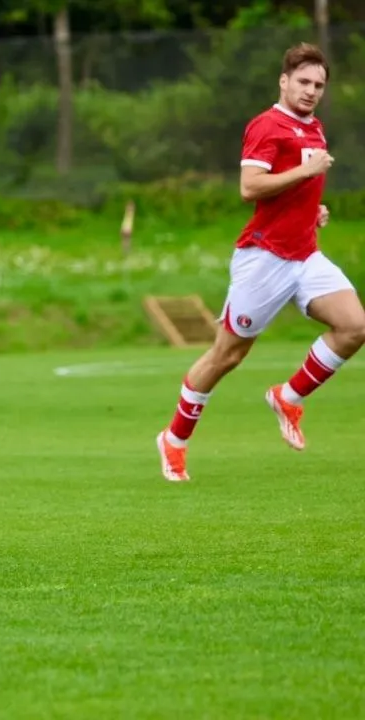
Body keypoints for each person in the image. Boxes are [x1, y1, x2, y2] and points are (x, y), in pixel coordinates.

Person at [155, 43, 363, 482]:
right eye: (303, 82)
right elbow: (251, 187)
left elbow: (292, 191)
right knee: (227, 356)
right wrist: (306, 175)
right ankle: (173, 440)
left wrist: (314, 209)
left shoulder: (315, 128)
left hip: (305, 255)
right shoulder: (267, 126)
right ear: (284, 81)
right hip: (264, 258)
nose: (310, 91)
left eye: (319, 85)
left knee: (355, 326)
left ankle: (289, 396)